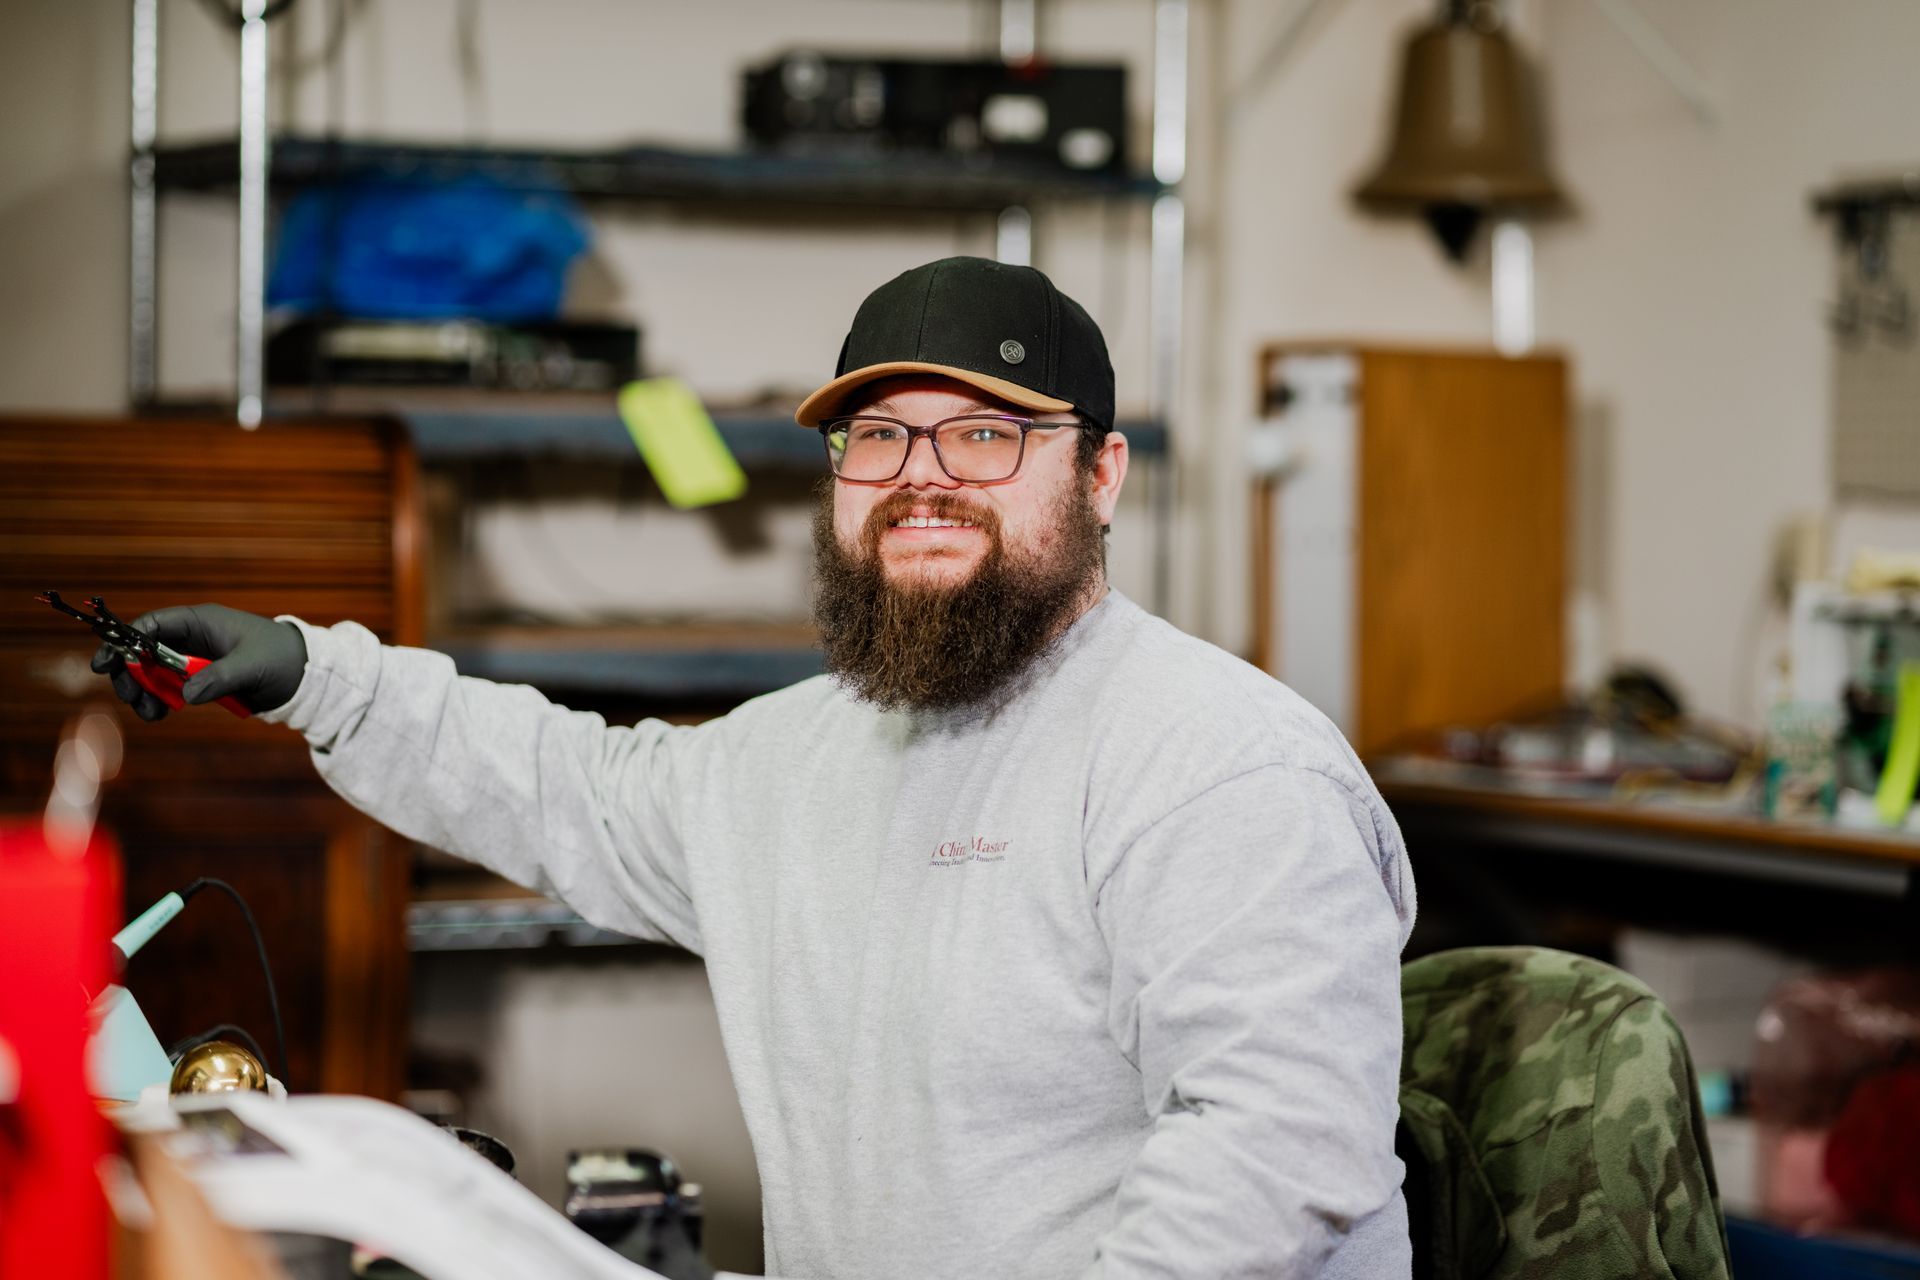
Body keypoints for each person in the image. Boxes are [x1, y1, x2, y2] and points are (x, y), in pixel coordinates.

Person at [96, 256, 1417, 1279]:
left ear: (1104, 474)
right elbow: (579, 790)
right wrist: (315, 674)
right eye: (879, 438)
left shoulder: (1220, 767)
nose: (921, 479)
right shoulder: (806, 756)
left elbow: (1270, 1162)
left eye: (985, 434)